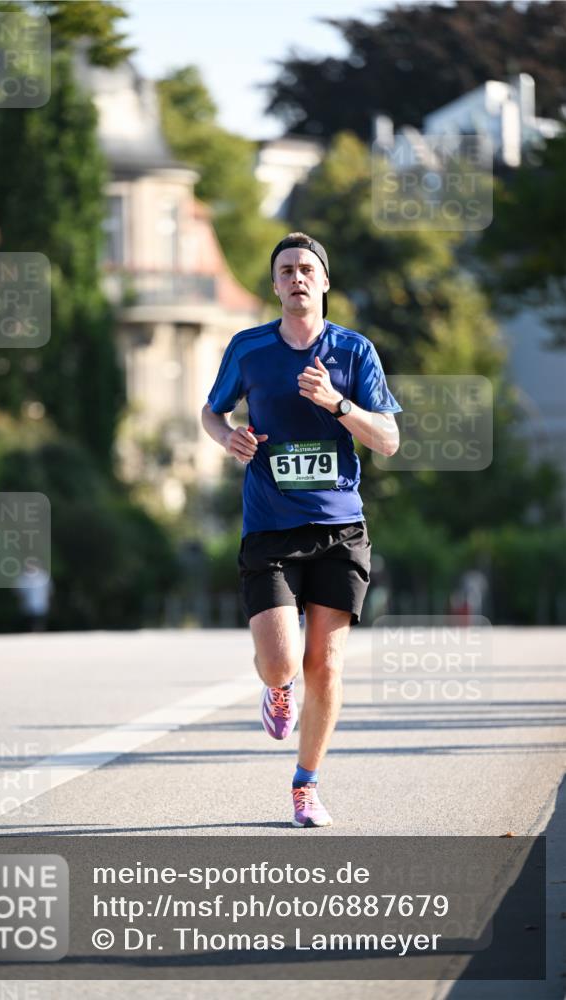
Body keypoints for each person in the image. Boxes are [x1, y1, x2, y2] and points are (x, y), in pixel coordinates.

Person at [202, 232, 401, 827]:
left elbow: (388, 439)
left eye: (307, 269)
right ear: (274, 284)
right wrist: (228, 439)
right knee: (283, 662)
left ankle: (306, 785)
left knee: (328, 665)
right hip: (270, 527)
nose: (296, 278)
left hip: (340, 529)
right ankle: (277, 688)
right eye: (285, 269)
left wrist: (338, 404)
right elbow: (212, 412)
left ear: (324, 282)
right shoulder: (249, 348)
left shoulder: (355, 352)